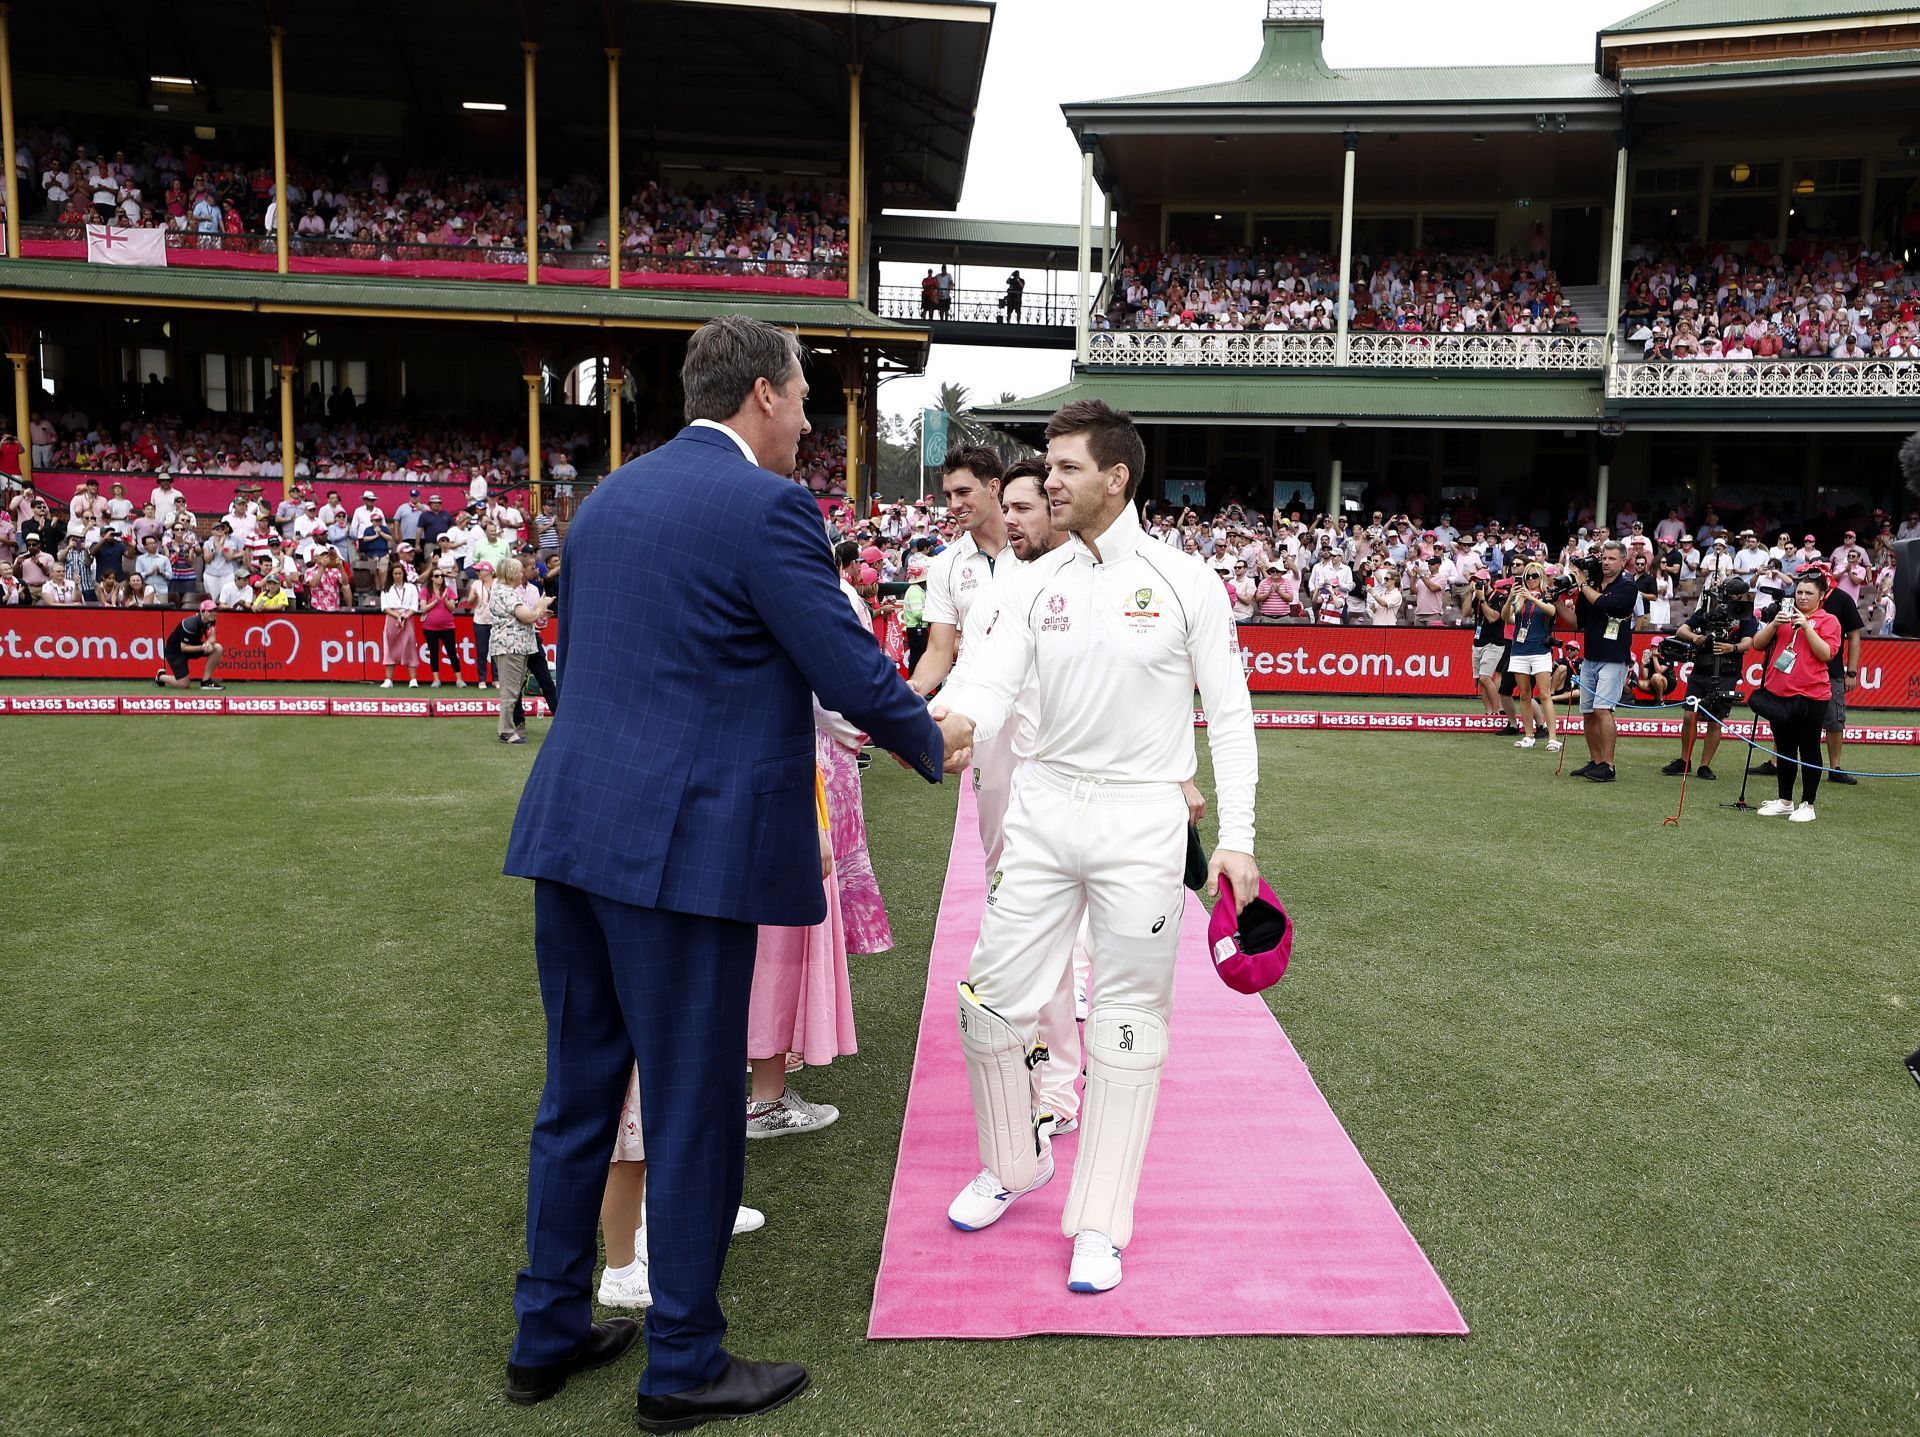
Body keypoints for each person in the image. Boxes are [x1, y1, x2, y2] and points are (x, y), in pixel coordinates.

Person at [499, 316, 948, 1423]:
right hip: (683, 854)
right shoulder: (766, 505)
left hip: (575, 833)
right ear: (761, 393)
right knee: (696, 1106)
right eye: (802, 401)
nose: (807, 424)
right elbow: (841, 662)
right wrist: (931, 736)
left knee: (579, 1094)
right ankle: (684, 1361)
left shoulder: (608, 498)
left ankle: (545, 1331)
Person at [933, 399, 1260, 1295]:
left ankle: (1100, 1222)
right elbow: (987, 685)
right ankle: (1014, 1162)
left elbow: (1229, 717)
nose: (1049, 480)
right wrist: (941, 727)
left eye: (1067, 466)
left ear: (1116, 477)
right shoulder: (1032, 580)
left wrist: (1239, 839)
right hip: (1044, 812)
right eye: (1048, 464)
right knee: (988, 1003)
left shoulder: (1187, 579)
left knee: (1125, 1026)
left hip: (1143, 823)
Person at [908, 447, 1008, 698]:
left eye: (963, 492)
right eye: (949, 495)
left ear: (994, 487)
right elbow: (939, 651)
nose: (954, 504)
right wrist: (914, 687)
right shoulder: (945, 564)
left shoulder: (1035, 548)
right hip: (976, 702)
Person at [1751, 571, 1841, 822]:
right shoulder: (1783, 618)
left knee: (1809, 747)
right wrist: (1774, 624)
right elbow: (1757, 644)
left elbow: (1826, 654)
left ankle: (1808, 804)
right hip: (1779, 692)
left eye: (1808, 593)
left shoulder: (1829, 620)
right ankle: (1785, 800)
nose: (1802, 597)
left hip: (1813, 694)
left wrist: (1806, 626)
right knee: (1785, 748)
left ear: (1821, 596)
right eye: (1799, 592)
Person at [1556, 543, 1638, 783]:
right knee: (1589, 712)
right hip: (1591, 657)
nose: (1606, 562)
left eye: (1612, 558)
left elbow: (1604, 604)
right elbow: (1576, 622)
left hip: (1613, 657)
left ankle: (1609, 765)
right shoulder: (1591, 585)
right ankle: (1595, 761)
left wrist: (1581, 584)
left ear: (1623, 561)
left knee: (1603, 709)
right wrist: (1558, 601)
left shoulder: (1627, 586)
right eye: (1604, 558)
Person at [1660, 590, 1758, 781]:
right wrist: (1695, 638)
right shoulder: (1708, 611)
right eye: (1727, 596)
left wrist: (1732, 647)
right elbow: (1682, 630)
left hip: (1727, 672)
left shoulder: (1745, 615)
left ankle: (1705, 765)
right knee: (1689, 716)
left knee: (1715, 720)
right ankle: (1684, 760)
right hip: (1701, 670)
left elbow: (1749, 642)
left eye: (1735, 597)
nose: (1730, 601)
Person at [486, 557, 548, 744]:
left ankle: (508, 729)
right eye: (520, 571)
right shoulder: (507, 593)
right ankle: (506, 731)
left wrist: (537, 611)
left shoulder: (504, 591)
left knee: (512, 690)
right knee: (510, 691)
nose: (522, 574)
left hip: (513, 646)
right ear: (512, 574)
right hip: (510, 647)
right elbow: (528, 617)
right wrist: (540, 606)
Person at [1505, 563, 1560, 751]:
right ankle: (1528, 735)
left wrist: (1533, 598)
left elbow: (1552, 612)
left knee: (1545, 694)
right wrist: (1511, 598)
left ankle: (1552, 737)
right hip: (1520, 649)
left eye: (1534, 575)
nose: (1530, 579)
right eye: (1527, 576)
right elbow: (1506, 617)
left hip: (1539, 650)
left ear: (1541, 577)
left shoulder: (1546, 595)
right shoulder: (1519, 598)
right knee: (1524, 694)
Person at [156, 601, 224, 690]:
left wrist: (208, 643)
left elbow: (212, 636)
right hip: (176, 652)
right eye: (210, 611)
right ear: (202, 612)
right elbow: (184, 648)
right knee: (183, 685)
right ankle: (161, 676)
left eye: (215, 611)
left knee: (217, 648)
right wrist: (203, 647)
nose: (214, 613)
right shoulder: (190, 624)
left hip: (193, 645)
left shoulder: (211, 620)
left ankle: (205, 682)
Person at [378, 565, 422, 689]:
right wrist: (397, 615)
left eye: (400, 573)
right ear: (392, 575)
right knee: (390, 647)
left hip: (407, 618)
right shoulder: (386, 589)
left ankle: (413, 679)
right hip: (392, 618)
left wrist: (405, 616)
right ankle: (388, 680)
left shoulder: (411, 588)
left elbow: (414, 606)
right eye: (395, 574)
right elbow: (385, 608)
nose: (398, 576)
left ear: (404, 574)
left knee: (410, 646)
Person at [420, 569, 464, 687]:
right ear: (432, 578)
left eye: (441, 576)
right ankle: (436, 679)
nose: (440, 578)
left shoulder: (448, 590)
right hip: (430, 627)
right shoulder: (425, 591)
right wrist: (435, 601)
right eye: (437, 576)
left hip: (447, 626)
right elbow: (423, 608)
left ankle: (459, 679)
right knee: (433, 652)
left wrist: (444, 599)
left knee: (452, 652)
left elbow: (452, 608)